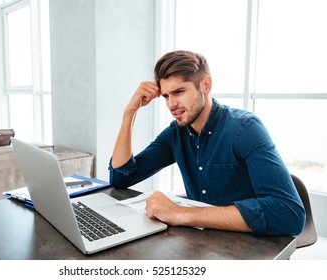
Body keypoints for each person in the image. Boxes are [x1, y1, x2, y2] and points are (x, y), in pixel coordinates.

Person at [108, 50, 305, 236]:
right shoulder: (176, 133)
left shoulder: (245, 129)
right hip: (202, 242)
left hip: (250, 245)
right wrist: (129, 113)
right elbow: (121, 178)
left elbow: (289, 214)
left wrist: (179, 213)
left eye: (179, 92)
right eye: (166, 96)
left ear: (206, 85)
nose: (171, 104)